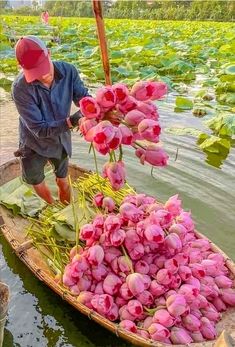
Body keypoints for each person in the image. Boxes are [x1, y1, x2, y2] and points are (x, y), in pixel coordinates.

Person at [12, 35, 90, 205]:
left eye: (44, 68)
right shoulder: (20, 88)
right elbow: (39, 129)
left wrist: (97, 108)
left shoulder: (69, 71)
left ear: (49, 53)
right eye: (36, 73)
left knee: (63, 181)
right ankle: (51, 204)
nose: (43, 76)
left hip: (59, 140)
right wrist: (71, 121)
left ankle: (65, 205)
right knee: (36, 182)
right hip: (33, 143)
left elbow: (84, 99)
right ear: (22, 68)